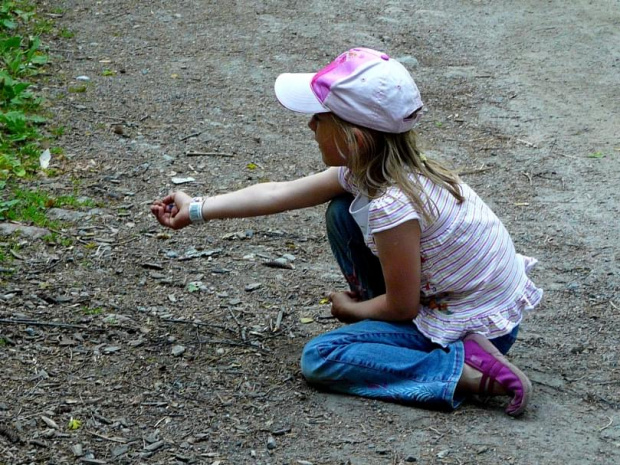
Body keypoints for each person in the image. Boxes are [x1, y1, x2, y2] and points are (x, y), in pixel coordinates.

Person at [151, 47, 543, 416]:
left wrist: (351, 311)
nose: (309, 124)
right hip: (456, 303)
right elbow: (279, 193)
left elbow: (403, 307)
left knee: (322, 358)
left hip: (467, 324)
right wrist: (198, 208)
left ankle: (466, 369)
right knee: (342, 212)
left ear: (354, 138)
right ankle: (409, 336)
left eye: (319, 119)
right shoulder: (382, 170)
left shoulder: (394, 205)